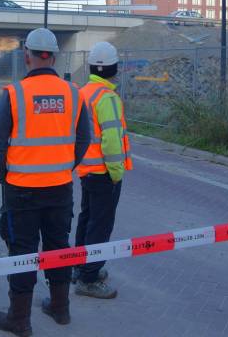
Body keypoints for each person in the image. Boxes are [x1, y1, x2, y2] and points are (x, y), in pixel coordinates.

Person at [0, 27, 90, 336]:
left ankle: (19, 320)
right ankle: (60, 309)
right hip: (60, 188)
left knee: (22, 251)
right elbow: (84, 139)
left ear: (27, 56)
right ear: (54, 57)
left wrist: (4, 178)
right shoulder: (74, 93)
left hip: (21, 190)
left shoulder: (14, 94)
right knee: (59, 247)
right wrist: (64, 167)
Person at [72, 41, 132, 300]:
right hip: (105, 173)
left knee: (87, 219)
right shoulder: (107, 97)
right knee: (100, 224)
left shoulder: (83, 92)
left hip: (87, 170)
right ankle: (89, 278)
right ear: (114, 68)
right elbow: (110, 140)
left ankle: (81, 265)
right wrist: (116, 172)